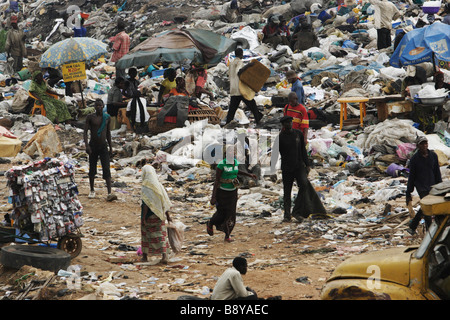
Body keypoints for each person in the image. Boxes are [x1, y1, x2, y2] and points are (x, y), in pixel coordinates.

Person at [272, 116, 326, 222]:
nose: (290, 124)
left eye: (290, 122)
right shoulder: (280, 138)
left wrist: (307, 164)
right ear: (283, 125)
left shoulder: (298, 134)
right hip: (287, 168)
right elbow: (274, 155)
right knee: (287, 192)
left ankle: (296, 211)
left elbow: (303, 150)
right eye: (287, 123)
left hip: (299, 166)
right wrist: (272, 170)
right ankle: (287, 215)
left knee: (304, 186)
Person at [207, 145, 257, 242]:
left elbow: (237, 171)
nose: (232, 153)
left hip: (233, 193)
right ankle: (211, 223)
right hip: (222, 193)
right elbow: (216, 181)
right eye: (230, 151)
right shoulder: (221, 165)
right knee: (221, 214)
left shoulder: (235, 163)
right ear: (226, 153)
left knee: (231, 215)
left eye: (233, 152)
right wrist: (213, 197)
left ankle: (227, 235)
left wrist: (249, 174)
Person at [406, 135, 442, 235]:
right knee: (427, 209)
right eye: (422, 144)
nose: (424, 145)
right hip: (421, 186)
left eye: (425, 143)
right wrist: (408, 192)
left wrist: (440, 186)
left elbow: (437, 172)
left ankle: (413, 226)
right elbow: (411, 177)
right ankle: (430, 232)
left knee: (427, 207)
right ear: (418, 146)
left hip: (432, 185)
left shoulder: (433, 156)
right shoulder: (414, 159)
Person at [84, 99, 117, 202]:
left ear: (103, 106)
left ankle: (109, 192)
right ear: (94, 107)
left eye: (100, 105)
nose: (99, 107)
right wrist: (87, 146)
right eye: (97, 105)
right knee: (92, 168)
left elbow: (108, 133)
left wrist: (111, 148)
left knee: (106, 168)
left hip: (103, 146)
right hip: (93, 146)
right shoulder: (90, 118)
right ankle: (92, 190)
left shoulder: (107, 118)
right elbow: (85, 132)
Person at [140, 163, 172, 264]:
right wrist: (168, 216)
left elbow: (145, 204)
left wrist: (143, 218)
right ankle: (164, 256)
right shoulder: (159, 186)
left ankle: (145, 257)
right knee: (161, 235)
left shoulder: (146, 186)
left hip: (149, 216)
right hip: (160, 215)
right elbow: (164, 202)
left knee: (146, 235)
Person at [225, 48, 262, 125]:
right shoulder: (239, 62)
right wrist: (248, 65)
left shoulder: (231, 63)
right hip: (240, 89)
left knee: (232, 109)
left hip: (233, 89)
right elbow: (239, 72)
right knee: (252, 103)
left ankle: (228, 123)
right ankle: (258, 119)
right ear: (241, 54)